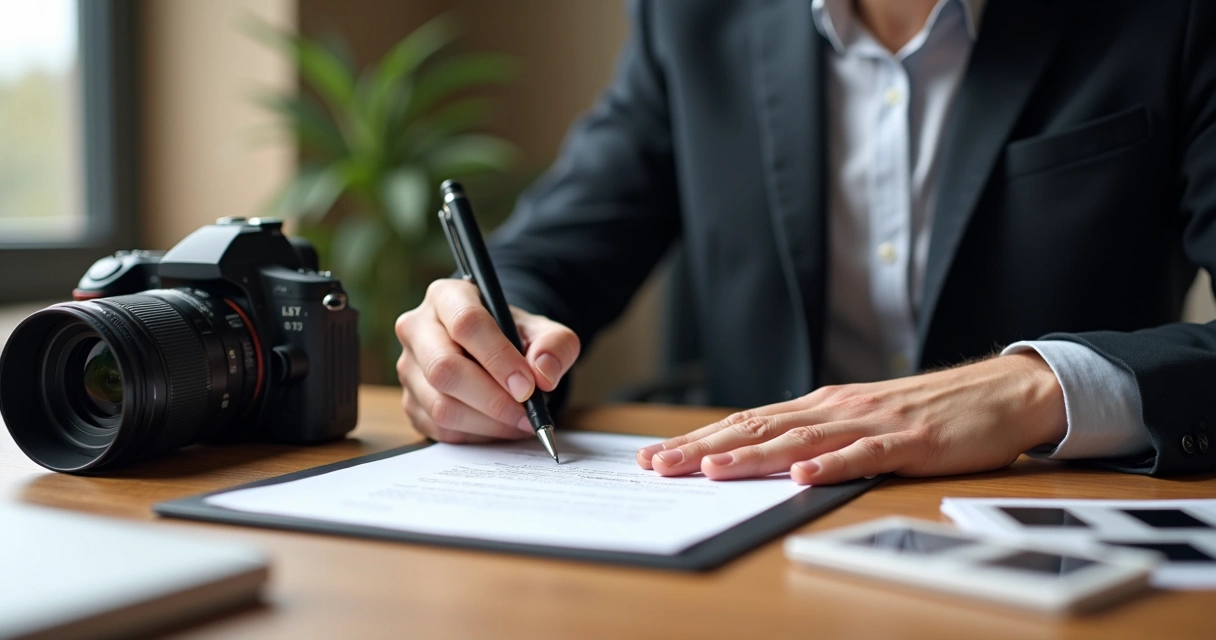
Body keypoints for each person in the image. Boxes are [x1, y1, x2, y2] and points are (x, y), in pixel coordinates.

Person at [395, 0, 1216, 484]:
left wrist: (1034, 390)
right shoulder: (692, 17)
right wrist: (480, 341)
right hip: (750, 525)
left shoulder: (1172, 17)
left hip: (1047, 515)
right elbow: (559, 250)